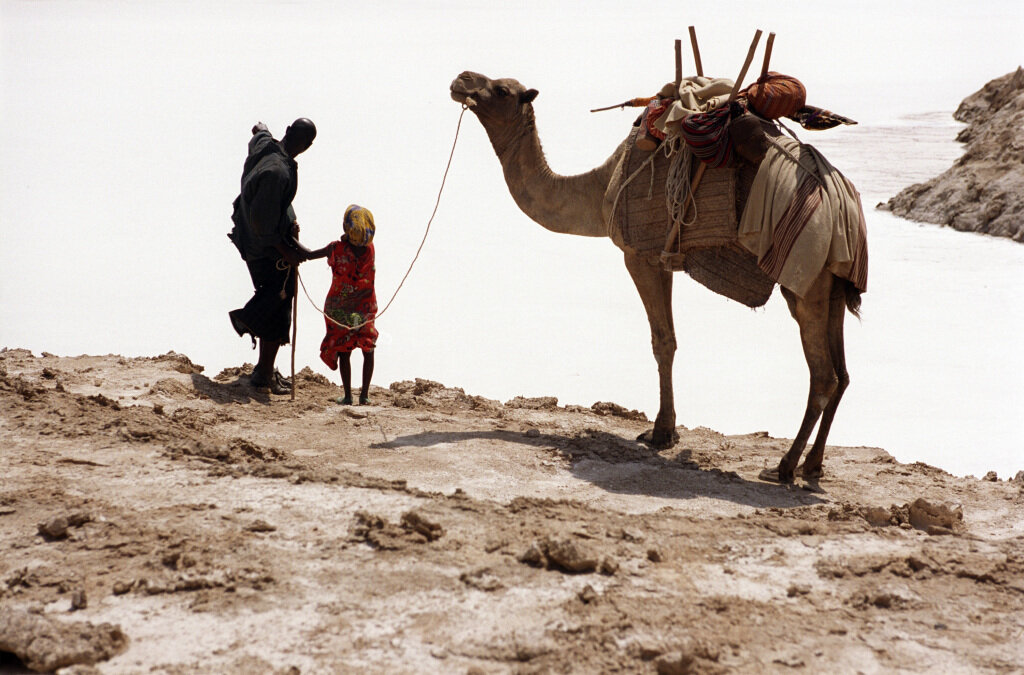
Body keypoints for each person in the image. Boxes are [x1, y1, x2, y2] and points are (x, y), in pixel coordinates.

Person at [228, 118, 317, 394]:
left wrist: (261, 129)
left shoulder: (266, 145)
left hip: (251, 239)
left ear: (287, 131)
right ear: (308, 145)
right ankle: (263, 369)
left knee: (275, 299)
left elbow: (259, 133)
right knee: (278, 304)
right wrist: (287, 251)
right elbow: (263, 224)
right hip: (264, 248)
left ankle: (263, 369)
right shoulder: (278, 172)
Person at [307, 205, 378, 405]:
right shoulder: (370, 249)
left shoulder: (336, 249)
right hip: (364, 307)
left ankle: (348, 396)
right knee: (368, 348)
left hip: (339, 307)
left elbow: (309, 255)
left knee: (344, 349)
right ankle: (364, 396)